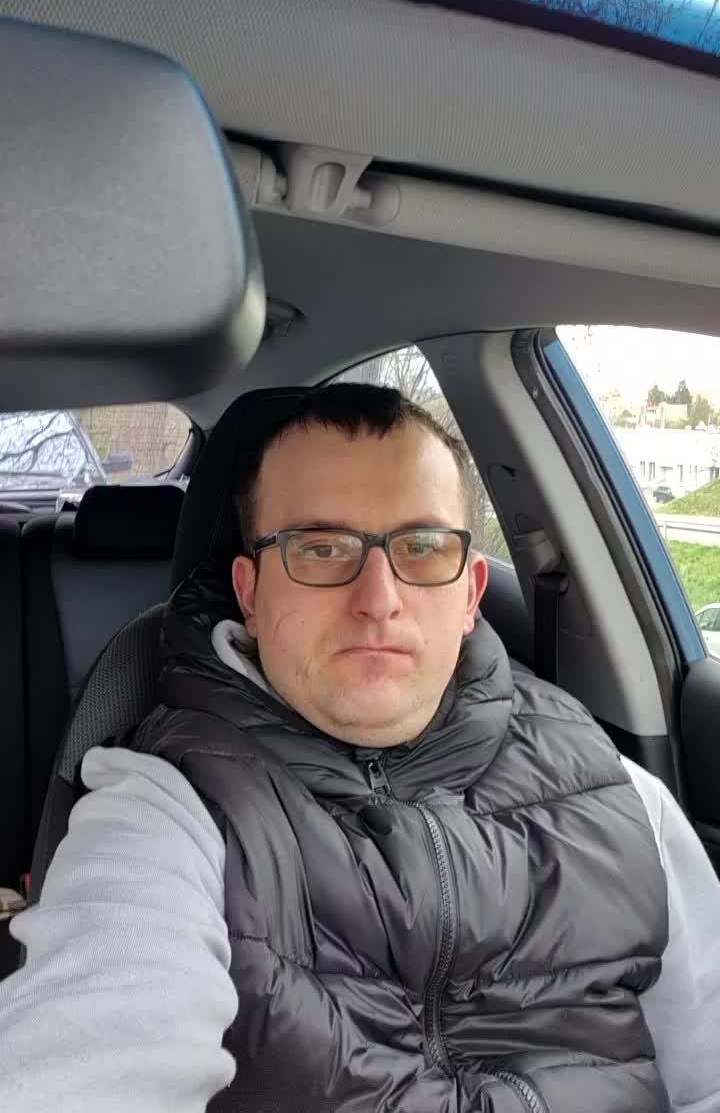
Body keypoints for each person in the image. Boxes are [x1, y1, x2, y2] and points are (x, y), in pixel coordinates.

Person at [1, 384, 719, 1113]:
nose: (378, 598)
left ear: (470, 594)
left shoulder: (620, 798)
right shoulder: (166, 809)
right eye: (320, 548)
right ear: (249, 594)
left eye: (422, 547)